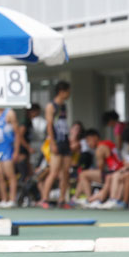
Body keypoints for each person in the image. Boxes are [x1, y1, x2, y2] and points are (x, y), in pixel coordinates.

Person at [38, 81, 72, 209]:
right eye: (68, 91)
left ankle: (62, 199)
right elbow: (49, 125)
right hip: (56, 141)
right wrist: (52, 142)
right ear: (62, 91)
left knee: (65, 172)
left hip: (65, 140)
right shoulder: (51, 106)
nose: (69, 94)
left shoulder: (64, 106)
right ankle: (44, 198)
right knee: (54, 171)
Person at [0, 107, 20, 208]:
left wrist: (16, 151)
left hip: (7, 147)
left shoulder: (10, 113)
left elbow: (17, 133)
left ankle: (12, 199)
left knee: (9, 174)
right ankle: (4, 199)